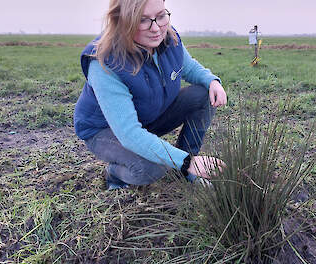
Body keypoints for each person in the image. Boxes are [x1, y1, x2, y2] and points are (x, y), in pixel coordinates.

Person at [73, 0, 227, 190]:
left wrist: (211, 81)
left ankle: (186, 170)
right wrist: (187, 161)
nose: (156, 28)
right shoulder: (105, 62)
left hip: (148, 117)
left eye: (161, 16)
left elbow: (187, 66)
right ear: (123, 20)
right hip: (106, 130)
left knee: (203, 94)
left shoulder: (168, 37)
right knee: (151, 168)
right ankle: (114, 173)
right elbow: (129, 134)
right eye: (143, 20)